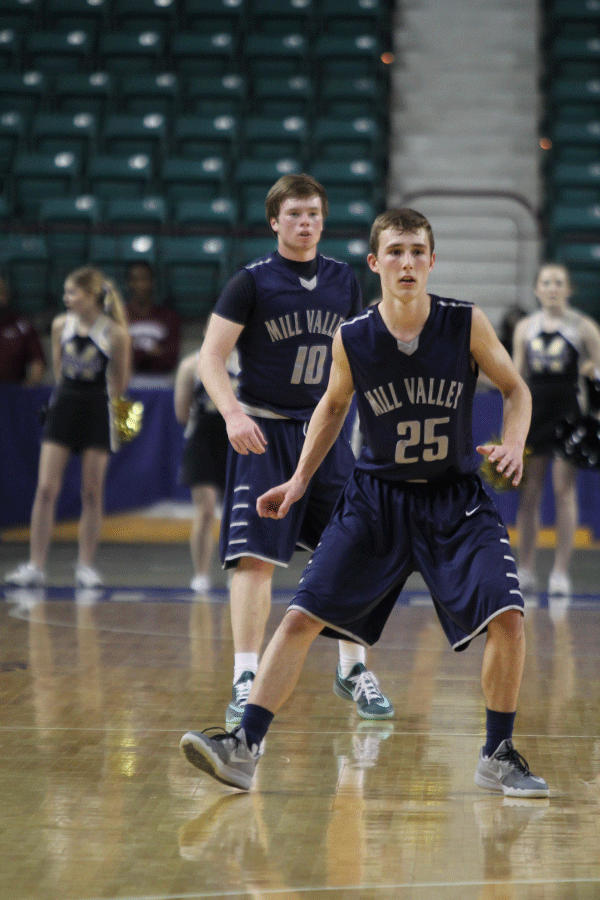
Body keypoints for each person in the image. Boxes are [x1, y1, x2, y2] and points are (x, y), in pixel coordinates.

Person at [180, 207, 550, 799]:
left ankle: (497, 753)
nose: (407, 262)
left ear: (433, 261)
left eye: (417, 251)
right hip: (376, 498)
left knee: (508, 615)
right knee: (301, 616)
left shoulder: (465, 322)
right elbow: (330, 408)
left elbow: (515, 387)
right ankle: (244, 745)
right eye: (396, 251)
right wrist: (300, 480)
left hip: (455, 499)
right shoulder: (353, 335)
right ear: (375, 263)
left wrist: (513, 442)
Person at [193, 173, 393, 726]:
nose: (305, 223)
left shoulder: (343, 280)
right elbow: (210, 357)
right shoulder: (250, 282)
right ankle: (245, 676)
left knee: (355, 547)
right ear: (275, 222)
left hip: (323, 433)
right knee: (255, 558)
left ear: (323, 221)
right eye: (295, 214)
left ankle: (352, 668)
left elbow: (355, 357)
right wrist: (232, 413)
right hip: (264, 431)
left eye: (314, 214)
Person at [5, 266, 131, 589]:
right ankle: (36, 565)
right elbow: (60, 371)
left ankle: (85, 565)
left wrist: (99, 404)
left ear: (90, 297)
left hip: (97, 409)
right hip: (64, 406)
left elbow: (120, 381)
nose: (66, 298)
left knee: (91, 492)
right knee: (46, 489)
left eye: (72, 293)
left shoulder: (115, 333)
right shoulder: (61, 324)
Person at [512, 263, 600, 599]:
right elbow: (516, 375)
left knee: (564, 492)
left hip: (568, 413)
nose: (552, 287)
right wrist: (511, 423)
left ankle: (561, 572)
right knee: (529, 492)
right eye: (546, 282)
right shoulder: (525, 328)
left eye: (558, 282)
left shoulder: (583, 326)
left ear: (568, 289)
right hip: (534, 413)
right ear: (536, 289)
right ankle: (526, 569)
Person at [174, 341, 239, 593]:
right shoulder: (191, 365)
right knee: (206, 509)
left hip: (235, 441)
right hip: (202, 440)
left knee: (236, 511)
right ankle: (200, 573)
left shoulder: (245, 363)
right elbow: (181, 414)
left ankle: (236, 574)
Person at [126, 261, 181, 375]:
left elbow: (171, 359)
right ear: (129, 283)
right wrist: (151, 352)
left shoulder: (169, 317)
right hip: (126, 379)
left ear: (152, 282)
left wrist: (133, 351)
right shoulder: (119, 316)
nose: (140, 285)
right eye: (135, 280)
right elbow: (115, 357)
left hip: (160, 380)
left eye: (144, 279)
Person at [0, 274, 46, 385]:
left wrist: (31, 384)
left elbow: (37, 361)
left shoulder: (22, 325)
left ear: (5, 296)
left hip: (12, 391)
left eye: (1, 293)